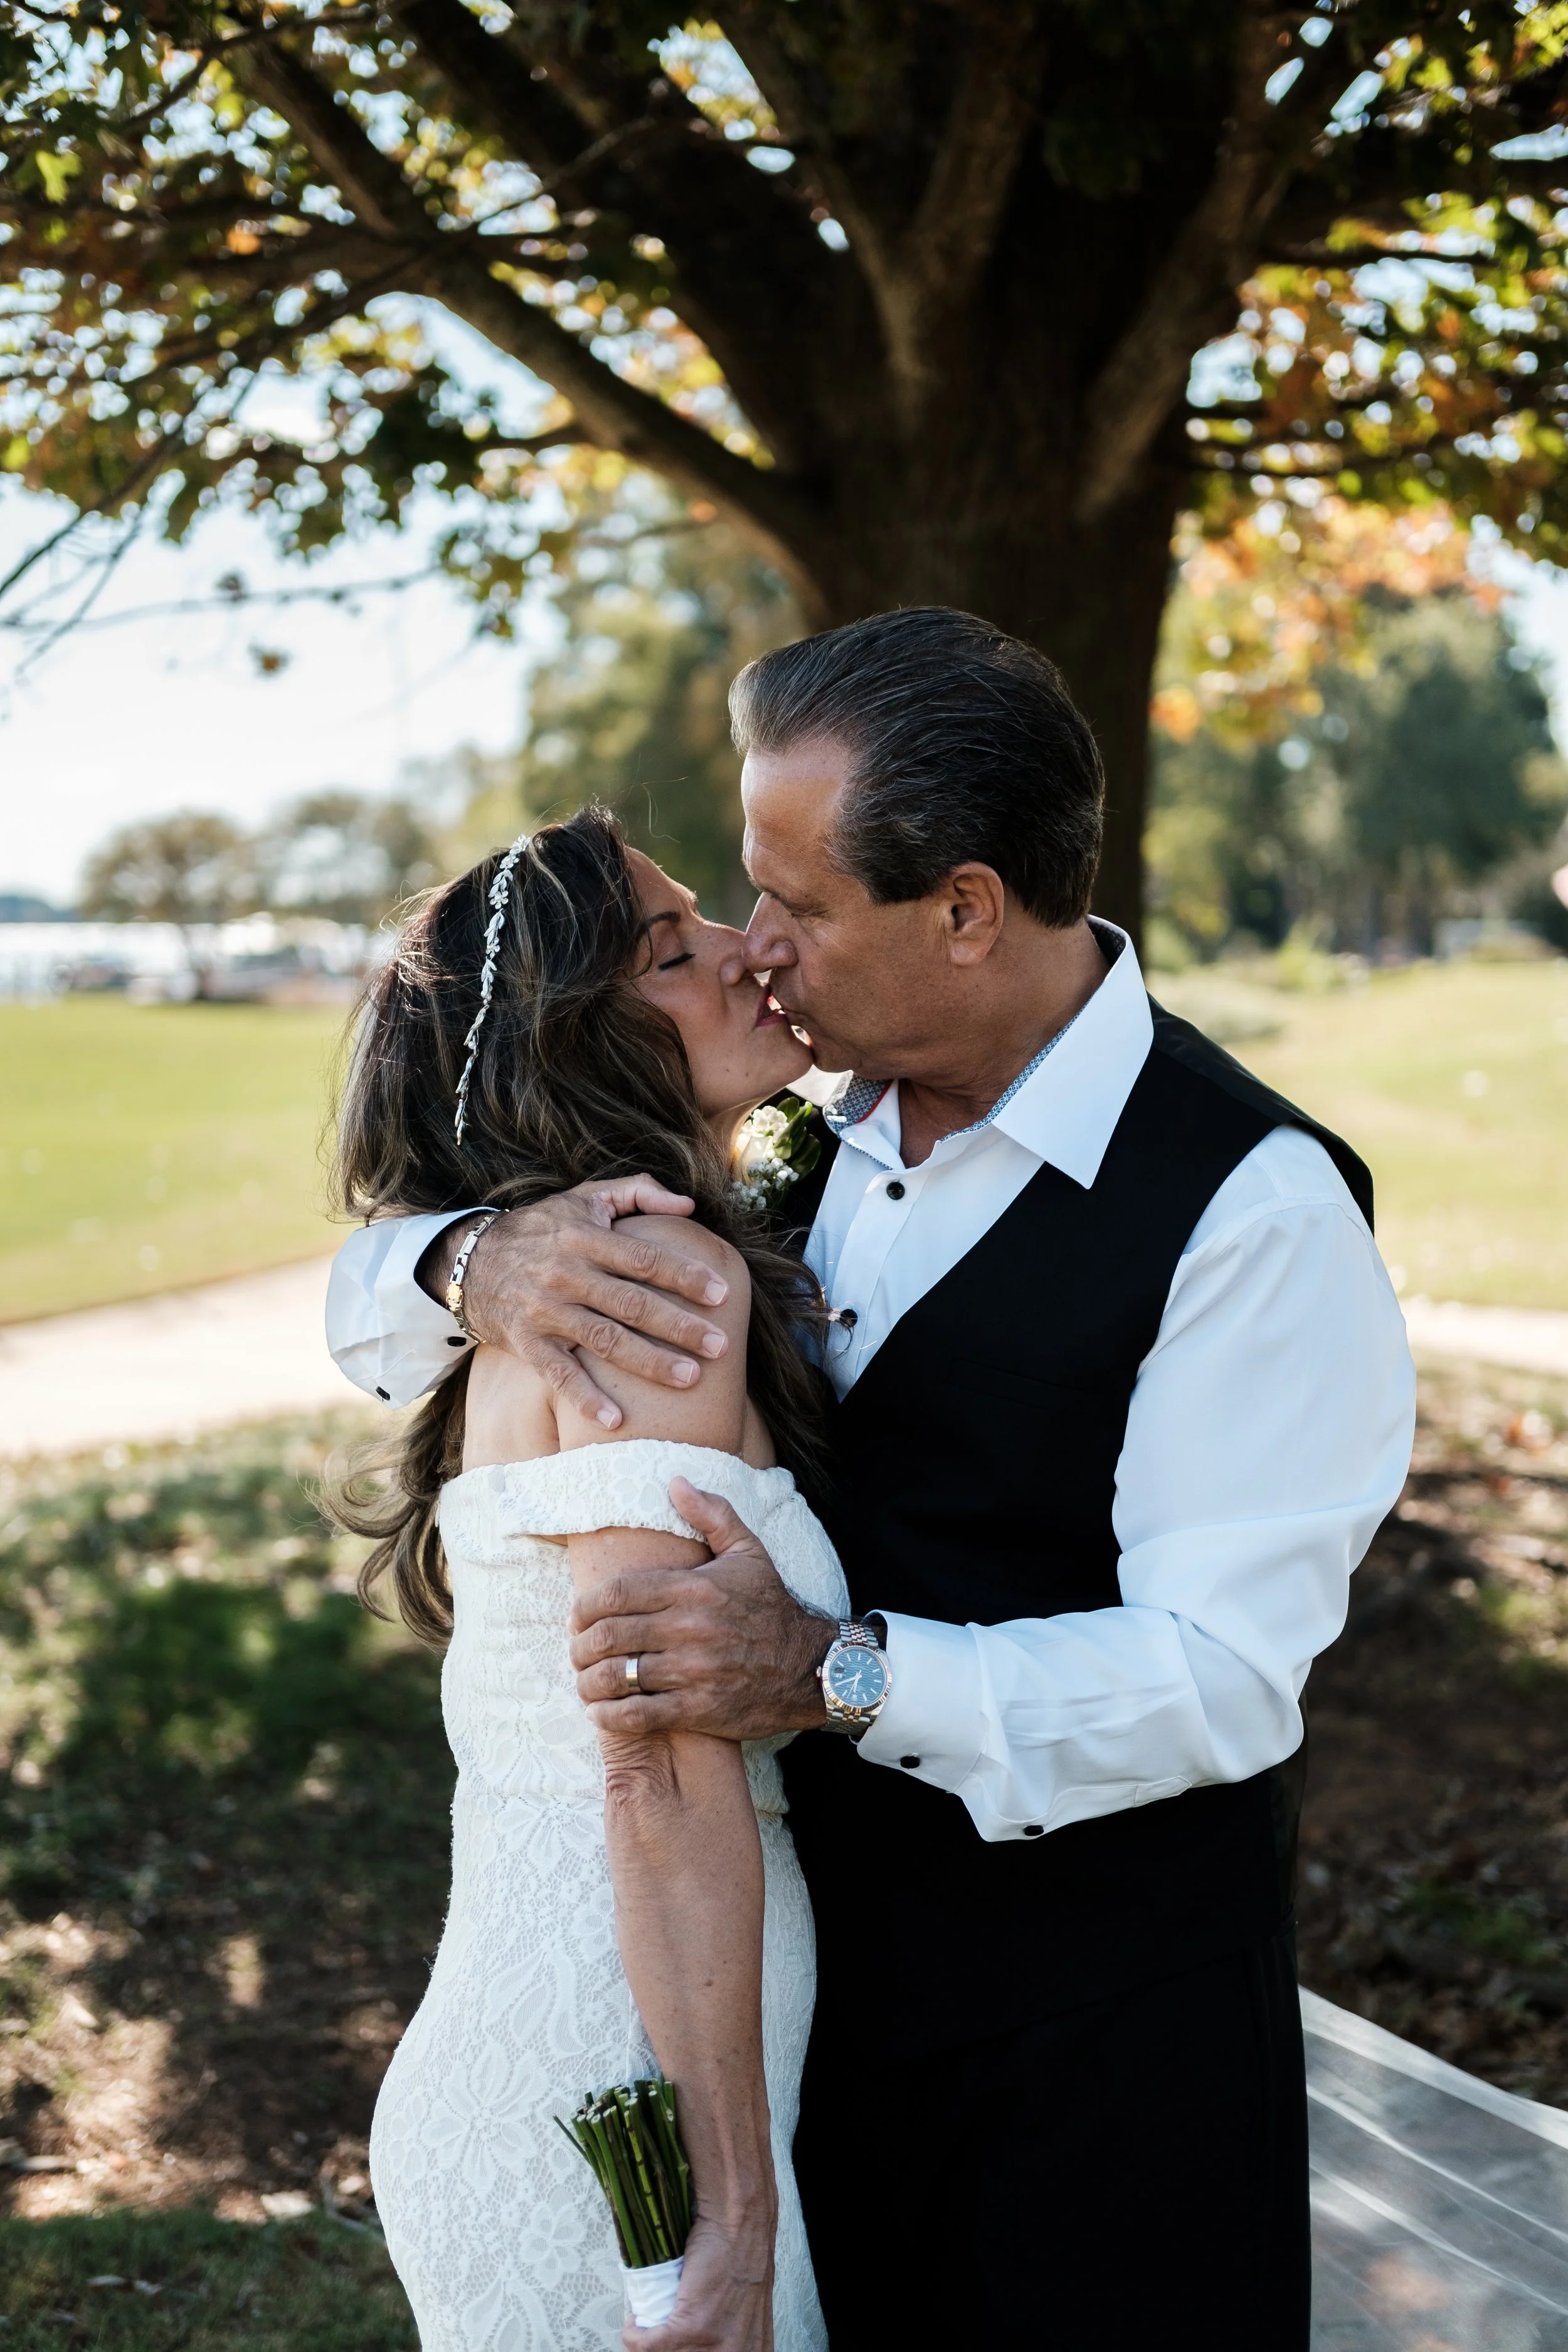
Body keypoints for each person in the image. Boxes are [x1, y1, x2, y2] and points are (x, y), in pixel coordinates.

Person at [329, 608, 1417, 2351]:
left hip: (1085, 2066)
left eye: (800, 904)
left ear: (966, 908)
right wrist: (466, 1255)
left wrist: (837, 1668)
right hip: (780, 2037)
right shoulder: (783, 1137)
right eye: (730, 904)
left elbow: (1223, 1675)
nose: (759, 947)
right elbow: (424, 1303)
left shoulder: (1251, 1211)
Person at [324, 807, 847, 2351]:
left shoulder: (568, 1278)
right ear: (580, 1045)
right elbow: (657, 1771)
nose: (748, 951)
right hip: (618, 2081)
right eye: (673, 954)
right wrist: (735, 2221)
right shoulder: (649, 1279)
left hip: (579, 2029)